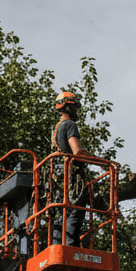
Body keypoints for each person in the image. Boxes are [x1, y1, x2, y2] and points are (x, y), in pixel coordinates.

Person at [50, 90, 89, 247]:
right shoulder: (70, 125)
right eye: (74, 107)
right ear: (68, 107)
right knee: (75, 209)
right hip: (70, 177)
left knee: (62, 212)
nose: (76, 111)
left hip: (58, 179)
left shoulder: (56, 129)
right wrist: (97, 161)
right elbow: (77, 152)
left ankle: (57, 246)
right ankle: (70, 247)